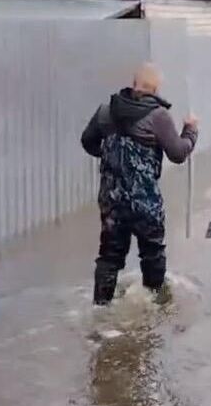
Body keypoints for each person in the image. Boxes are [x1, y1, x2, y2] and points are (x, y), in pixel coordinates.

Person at [80, 63, 198, 306]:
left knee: (109, 257)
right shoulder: (158, 116)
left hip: (112, 202)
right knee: (152, 254)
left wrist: (109, 157)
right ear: (155, 88)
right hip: (145, 203)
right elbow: (178, 153)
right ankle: (155, 307)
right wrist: (191, 130)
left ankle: (100, 308)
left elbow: (87, 142)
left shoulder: (105, 111)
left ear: (134, 84)